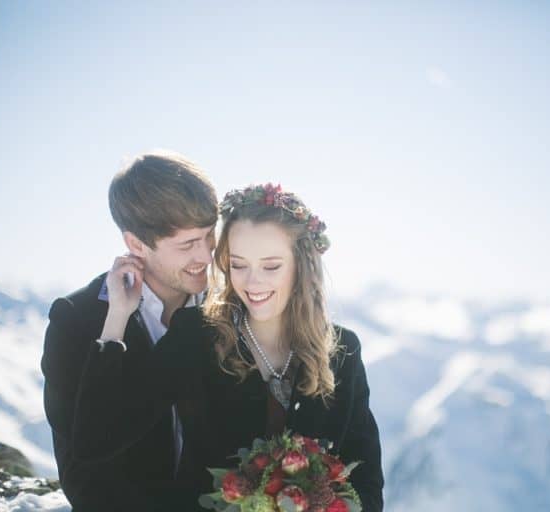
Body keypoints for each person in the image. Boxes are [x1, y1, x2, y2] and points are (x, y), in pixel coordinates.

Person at [73, 183, 384, 511]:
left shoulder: (341, 350)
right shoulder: (196, 335)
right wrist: (116, 319)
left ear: (301, 265)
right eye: (238, 264)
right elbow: (95, 439)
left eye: (271, 266)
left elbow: (365, 475)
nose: (252, 282)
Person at [40, 150, 219, 511]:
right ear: (136, 244)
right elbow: (83, 464)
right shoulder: (76, 319)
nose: (206, 256)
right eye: (187, 244)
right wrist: (116, 323)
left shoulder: (225, 306)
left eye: (209, 236)